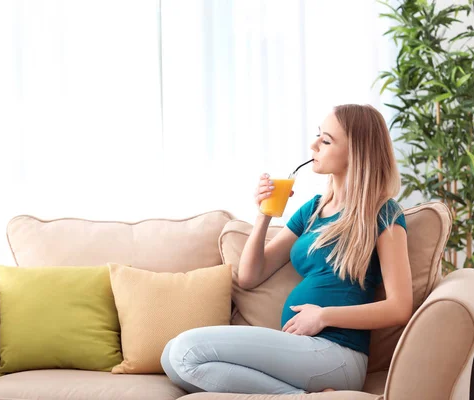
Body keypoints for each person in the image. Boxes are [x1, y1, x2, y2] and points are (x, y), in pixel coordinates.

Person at [160, 104, 413, 394]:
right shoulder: (313, 210)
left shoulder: (383, 213)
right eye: (318, 135)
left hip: (338, 353)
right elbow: (250, 276)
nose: (313, 145)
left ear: (355, 152)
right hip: (301, 352)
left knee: (184, 351)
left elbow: (400, 307)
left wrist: (323, 316)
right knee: (172, 358)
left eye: (326, 140)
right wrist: (265, 214)